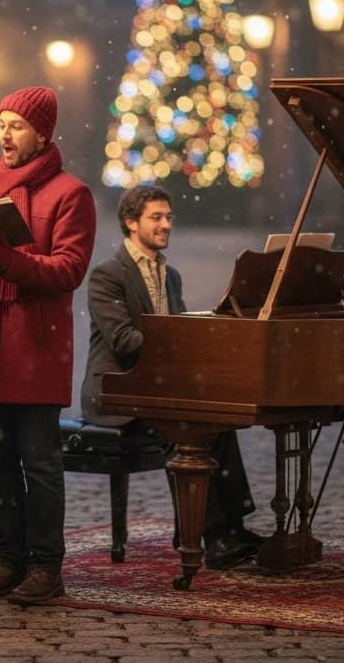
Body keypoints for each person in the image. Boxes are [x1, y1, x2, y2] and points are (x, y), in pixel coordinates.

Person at [0, 86, 95, 605]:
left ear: (42, 133)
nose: (5, 133)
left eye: (17, 125)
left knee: (41, 466)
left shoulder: (70, 194)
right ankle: (10, 559)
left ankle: (46, 567)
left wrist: (3, 258)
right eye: (2, 123)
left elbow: (67, 271)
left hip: (37, 347)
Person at [81, 186, 262, 568]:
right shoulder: (106, 276)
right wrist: (179, 339)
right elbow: (124, 341)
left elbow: (174, 335)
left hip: (158, 389)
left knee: (219, 420)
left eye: (169, 218)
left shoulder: (171, 276)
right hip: (118, 394)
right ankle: (207, 538)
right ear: (131, 223)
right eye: (156, 218)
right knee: (187, 431)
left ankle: (229, 528)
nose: (166, 225)